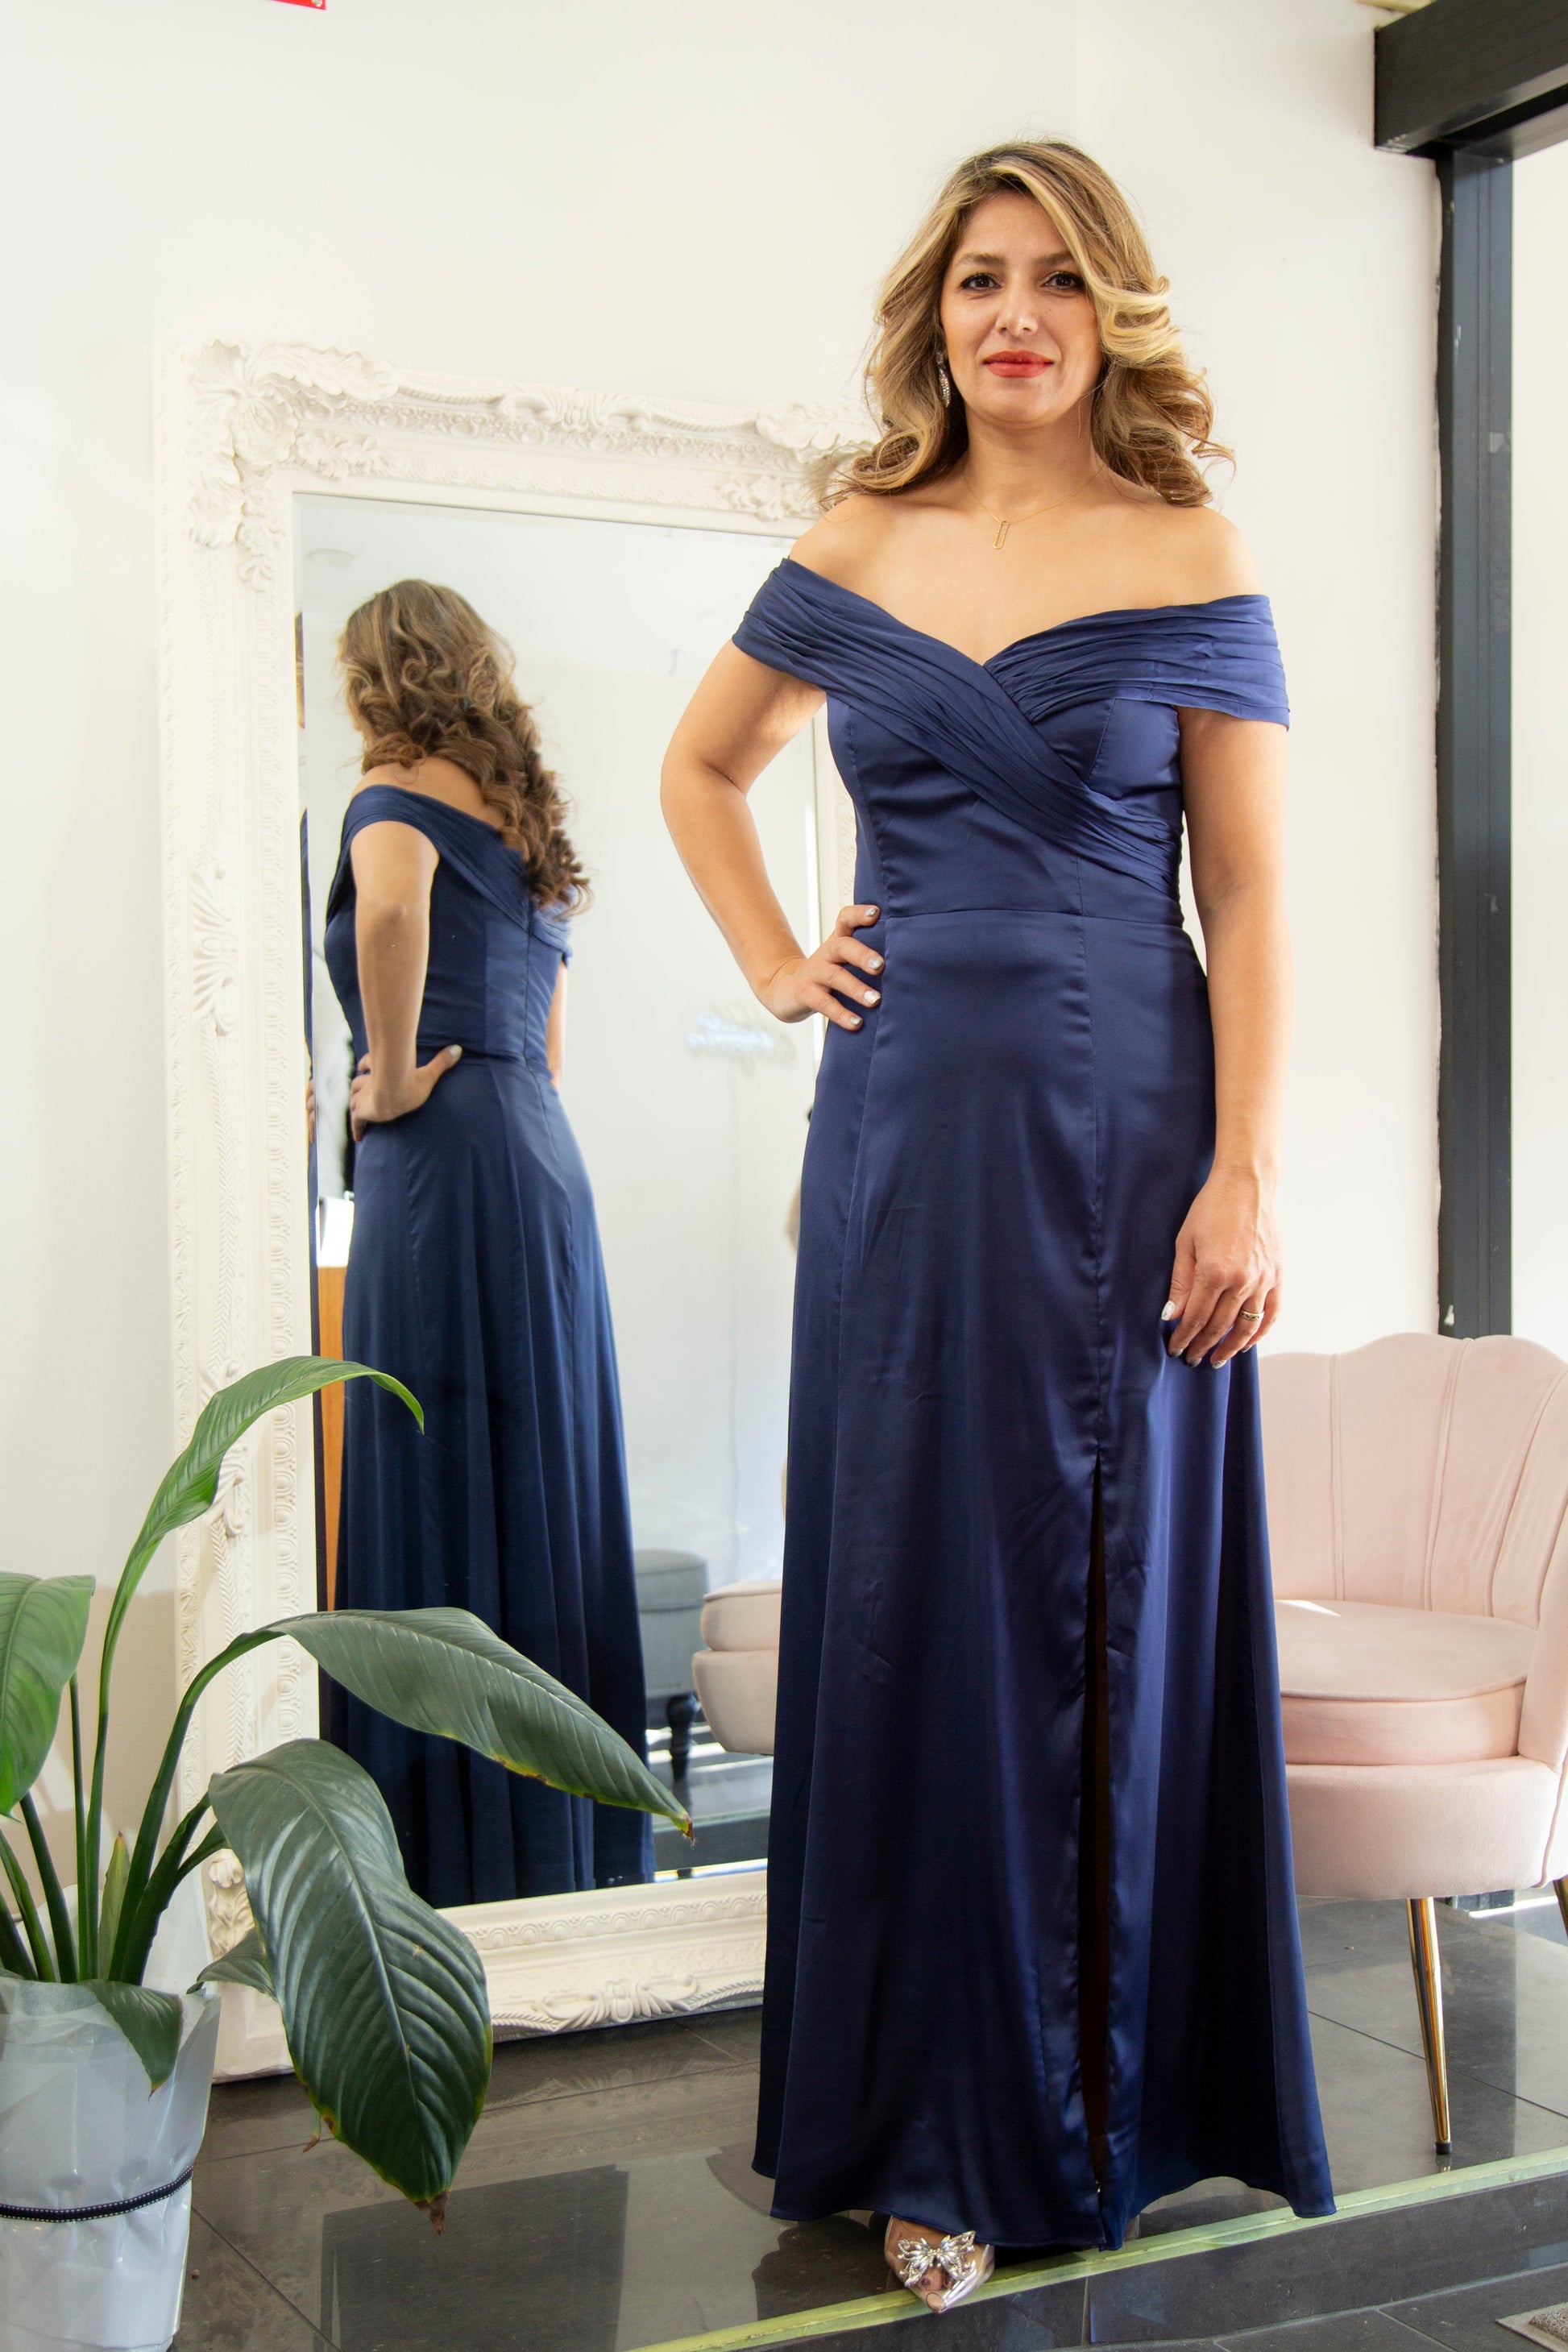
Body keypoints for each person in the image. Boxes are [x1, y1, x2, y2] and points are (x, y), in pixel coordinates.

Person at [661, 142, 1332, 2306]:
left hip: (1131, 1137)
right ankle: (918, 2109)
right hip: (899, 1139)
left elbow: (1242, 892)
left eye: (1053, 280)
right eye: (977, 281)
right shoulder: (856, 537)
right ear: (931, 312)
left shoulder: (1188, 545)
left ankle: (1088, 2107)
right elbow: (703, 767)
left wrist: (1243, 1167)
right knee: (907, 1601)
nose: (1013, 316)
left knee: (1093, 1606)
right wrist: (777, 964)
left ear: (1109, 308)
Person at [324, 579, 653, 1904]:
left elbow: (392, 912)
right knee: (539, 1471)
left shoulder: (391, 791)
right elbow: (553, 1038)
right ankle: (556, 1852)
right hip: (535, 1149)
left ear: (371, 680)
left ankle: (439, 1864)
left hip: (440, 1147)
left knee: (429, 1453)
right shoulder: (521, 818)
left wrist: (392, 1076)